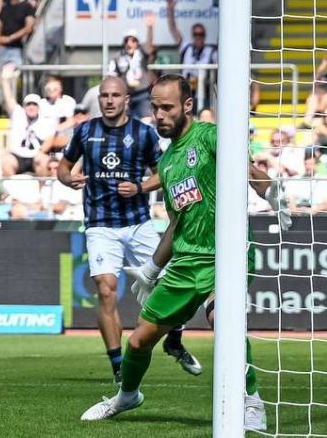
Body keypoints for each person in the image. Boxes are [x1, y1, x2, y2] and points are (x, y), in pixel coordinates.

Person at [81, 75, 274, 432]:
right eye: (154, 107)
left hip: (225, 254)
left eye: (167, 107)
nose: (159, 115)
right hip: (185, 263)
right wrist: (153, 269)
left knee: (222, 319)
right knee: (138, 341)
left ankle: (252, 401)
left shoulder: (210, 136)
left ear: (186, 106)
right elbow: (176, 224)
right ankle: (127, 395)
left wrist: (272, 195)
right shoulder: (167, 163)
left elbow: (248, 171)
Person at [57, 77, 199, 384]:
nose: (109, 100)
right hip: (100, 224)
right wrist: (68, 179)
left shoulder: (144, 133)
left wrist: (139, 187)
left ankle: (174, 339)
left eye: (115, 95)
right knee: (106, 289)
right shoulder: (85, 130)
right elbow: (62, 168)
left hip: (138, 223)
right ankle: (119, 365)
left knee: (171, 283)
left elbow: (164, 173)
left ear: (126, 100)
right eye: (104, 95)